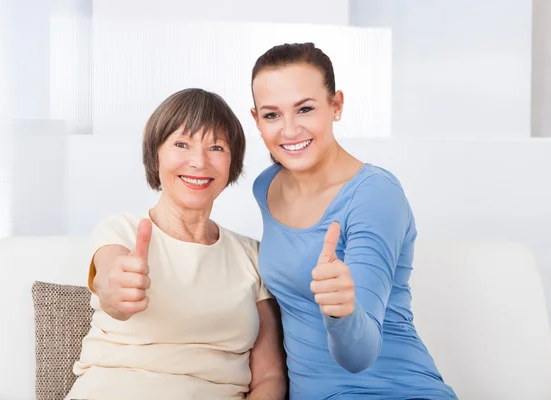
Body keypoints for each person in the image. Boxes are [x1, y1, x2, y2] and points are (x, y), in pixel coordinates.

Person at [249, 42, 458, 399]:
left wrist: (342, 311)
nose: (289, 130)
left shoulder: (375, 194)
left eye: (305, 109)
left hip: (396, 390)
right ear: (256, 119)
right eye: (272, 115)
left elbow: (358, 354)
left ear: (336, 106)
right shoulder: (266, 187)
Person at [67, 88, 286, 400]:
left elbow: (270, 376)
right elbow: (108, 281)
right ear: (156, 154)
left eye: (216, 147)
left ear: (231, 163)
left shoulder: (252, 255)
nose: (198, 162)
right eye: (182, 144)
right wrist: (116, 292)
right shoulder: (122, 231)